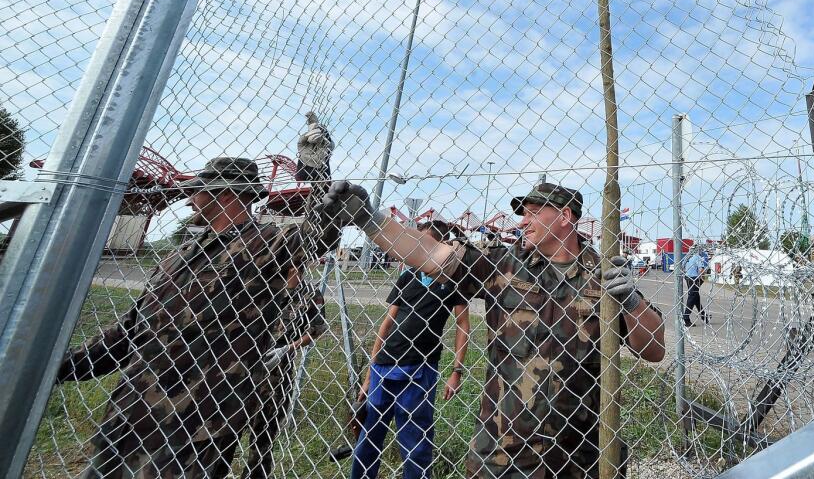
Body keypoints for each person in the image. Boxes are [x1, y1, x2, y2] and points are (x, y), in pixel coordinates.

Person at [320, 180, 666, 478]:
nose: (523, 221)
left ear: (564, 217)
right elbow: (431, 254)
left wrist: (630, 301)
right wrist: (370, 220)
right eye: (523, 213)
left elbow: (653, 349)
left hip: (583, 452)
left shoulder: (603, 275)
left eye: (533, 212)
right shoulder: (503, 265)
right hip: (505, 450)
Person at [57, 156, 347, 478]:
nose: (189, 199)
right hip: (132, 411)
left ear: (224, 193)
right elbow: (130, 329)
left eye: (197, 190)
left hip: (196, 422)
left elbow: (317, 235)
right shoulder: (179, 256)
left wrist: (319, 176)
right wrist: (57, 366)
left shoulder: (267, 243)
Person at [351, 221, 470, 479]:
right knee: (369, 436)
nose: (414, 249)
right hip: (385, 365)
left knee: (416, 441)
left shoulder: (452, 282)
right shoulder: (408, 277)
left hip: (420, 368)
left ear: (437, 246)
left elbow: (463, 325)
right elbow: (387, 322)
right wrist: (370, 373)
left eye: (422, 243)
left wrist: (456, 371)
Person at [241, 269, 328, 479]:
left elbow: (318, 328)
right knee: (230, 422)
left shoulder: (309, 293)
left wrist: (288, 349)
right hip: (246, 361)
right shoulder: (262, 284)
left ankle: (255, 474)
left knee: (265, 427)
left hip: (278, 366)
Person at [296, 110, 334, 182]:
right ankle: (315, 128)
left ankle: (315, 128)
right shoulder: (304, 144)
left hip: (317, 171)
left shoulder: (326, 146)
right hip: (314, 171)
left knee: (325, 147)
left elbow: (329, 144)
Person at [682, 244, 709, 327]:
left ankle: (704, 317)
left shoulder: (688, 257)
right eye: (701, 250)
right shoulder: (698, 258)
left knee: (696, 297)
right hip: (695, 279)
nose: (702, 251)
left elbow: (682, 266)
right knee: (692, 297)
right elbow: (701, 270)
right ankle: (685, 318)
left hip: (688, 278)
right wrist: (702, 278)